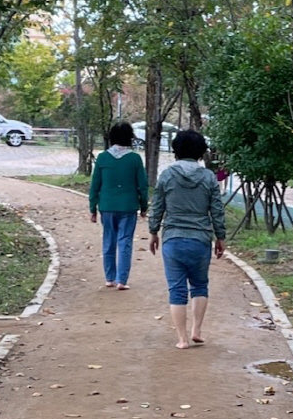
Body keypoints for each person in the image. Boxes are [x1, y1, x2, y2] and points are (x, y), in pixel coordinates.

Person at [148, 129, 226, 348]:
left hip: (172, 239)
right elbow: (216, 210)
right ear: (201, 151)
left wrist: (153, 232)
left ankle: (182, 339)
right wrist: (221, 237)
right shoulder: (208, 177)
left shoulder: (167, 175)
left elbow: (157, 207)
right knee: (200, 285)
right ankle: (197, 330)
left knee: (177, 289)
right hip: (200, 239)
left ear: (176, 150)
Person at [89, 121, 149, 290]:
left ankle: (109, 278)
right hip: (129, 206)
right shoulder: (135, 159)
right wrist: (144, 206)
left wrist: (92, 208)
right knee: (125, 242)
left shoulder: (102, 157)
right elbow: (142, 185)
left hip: (106, 206)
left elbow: (95, 185)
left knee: (108, 240)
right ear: (130, 138)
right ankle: (122, 280)